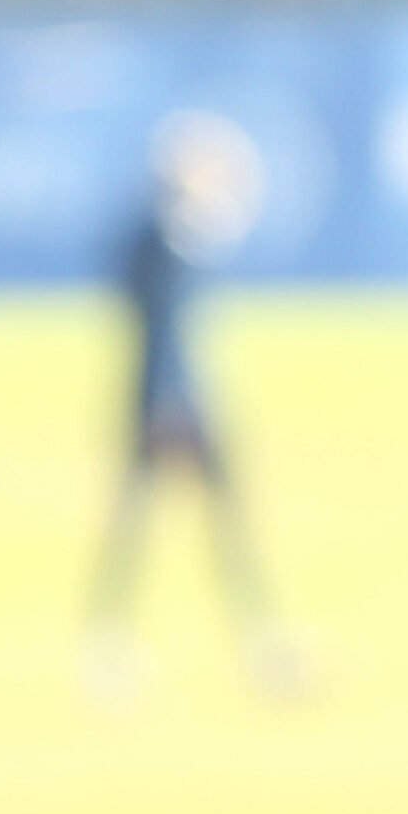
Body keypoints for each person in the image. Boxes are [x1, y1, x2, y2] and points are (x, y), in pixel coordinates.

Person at [84, 109, 307, 702]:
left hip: (172, 397)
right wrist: (166, 401)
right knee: (172, 530)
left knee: (194, 530)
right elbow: (161, 330)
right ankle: (117, 649)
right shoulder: (163, 237)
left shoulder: (162, 233)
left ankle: (251, 647)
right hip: (172, 402)